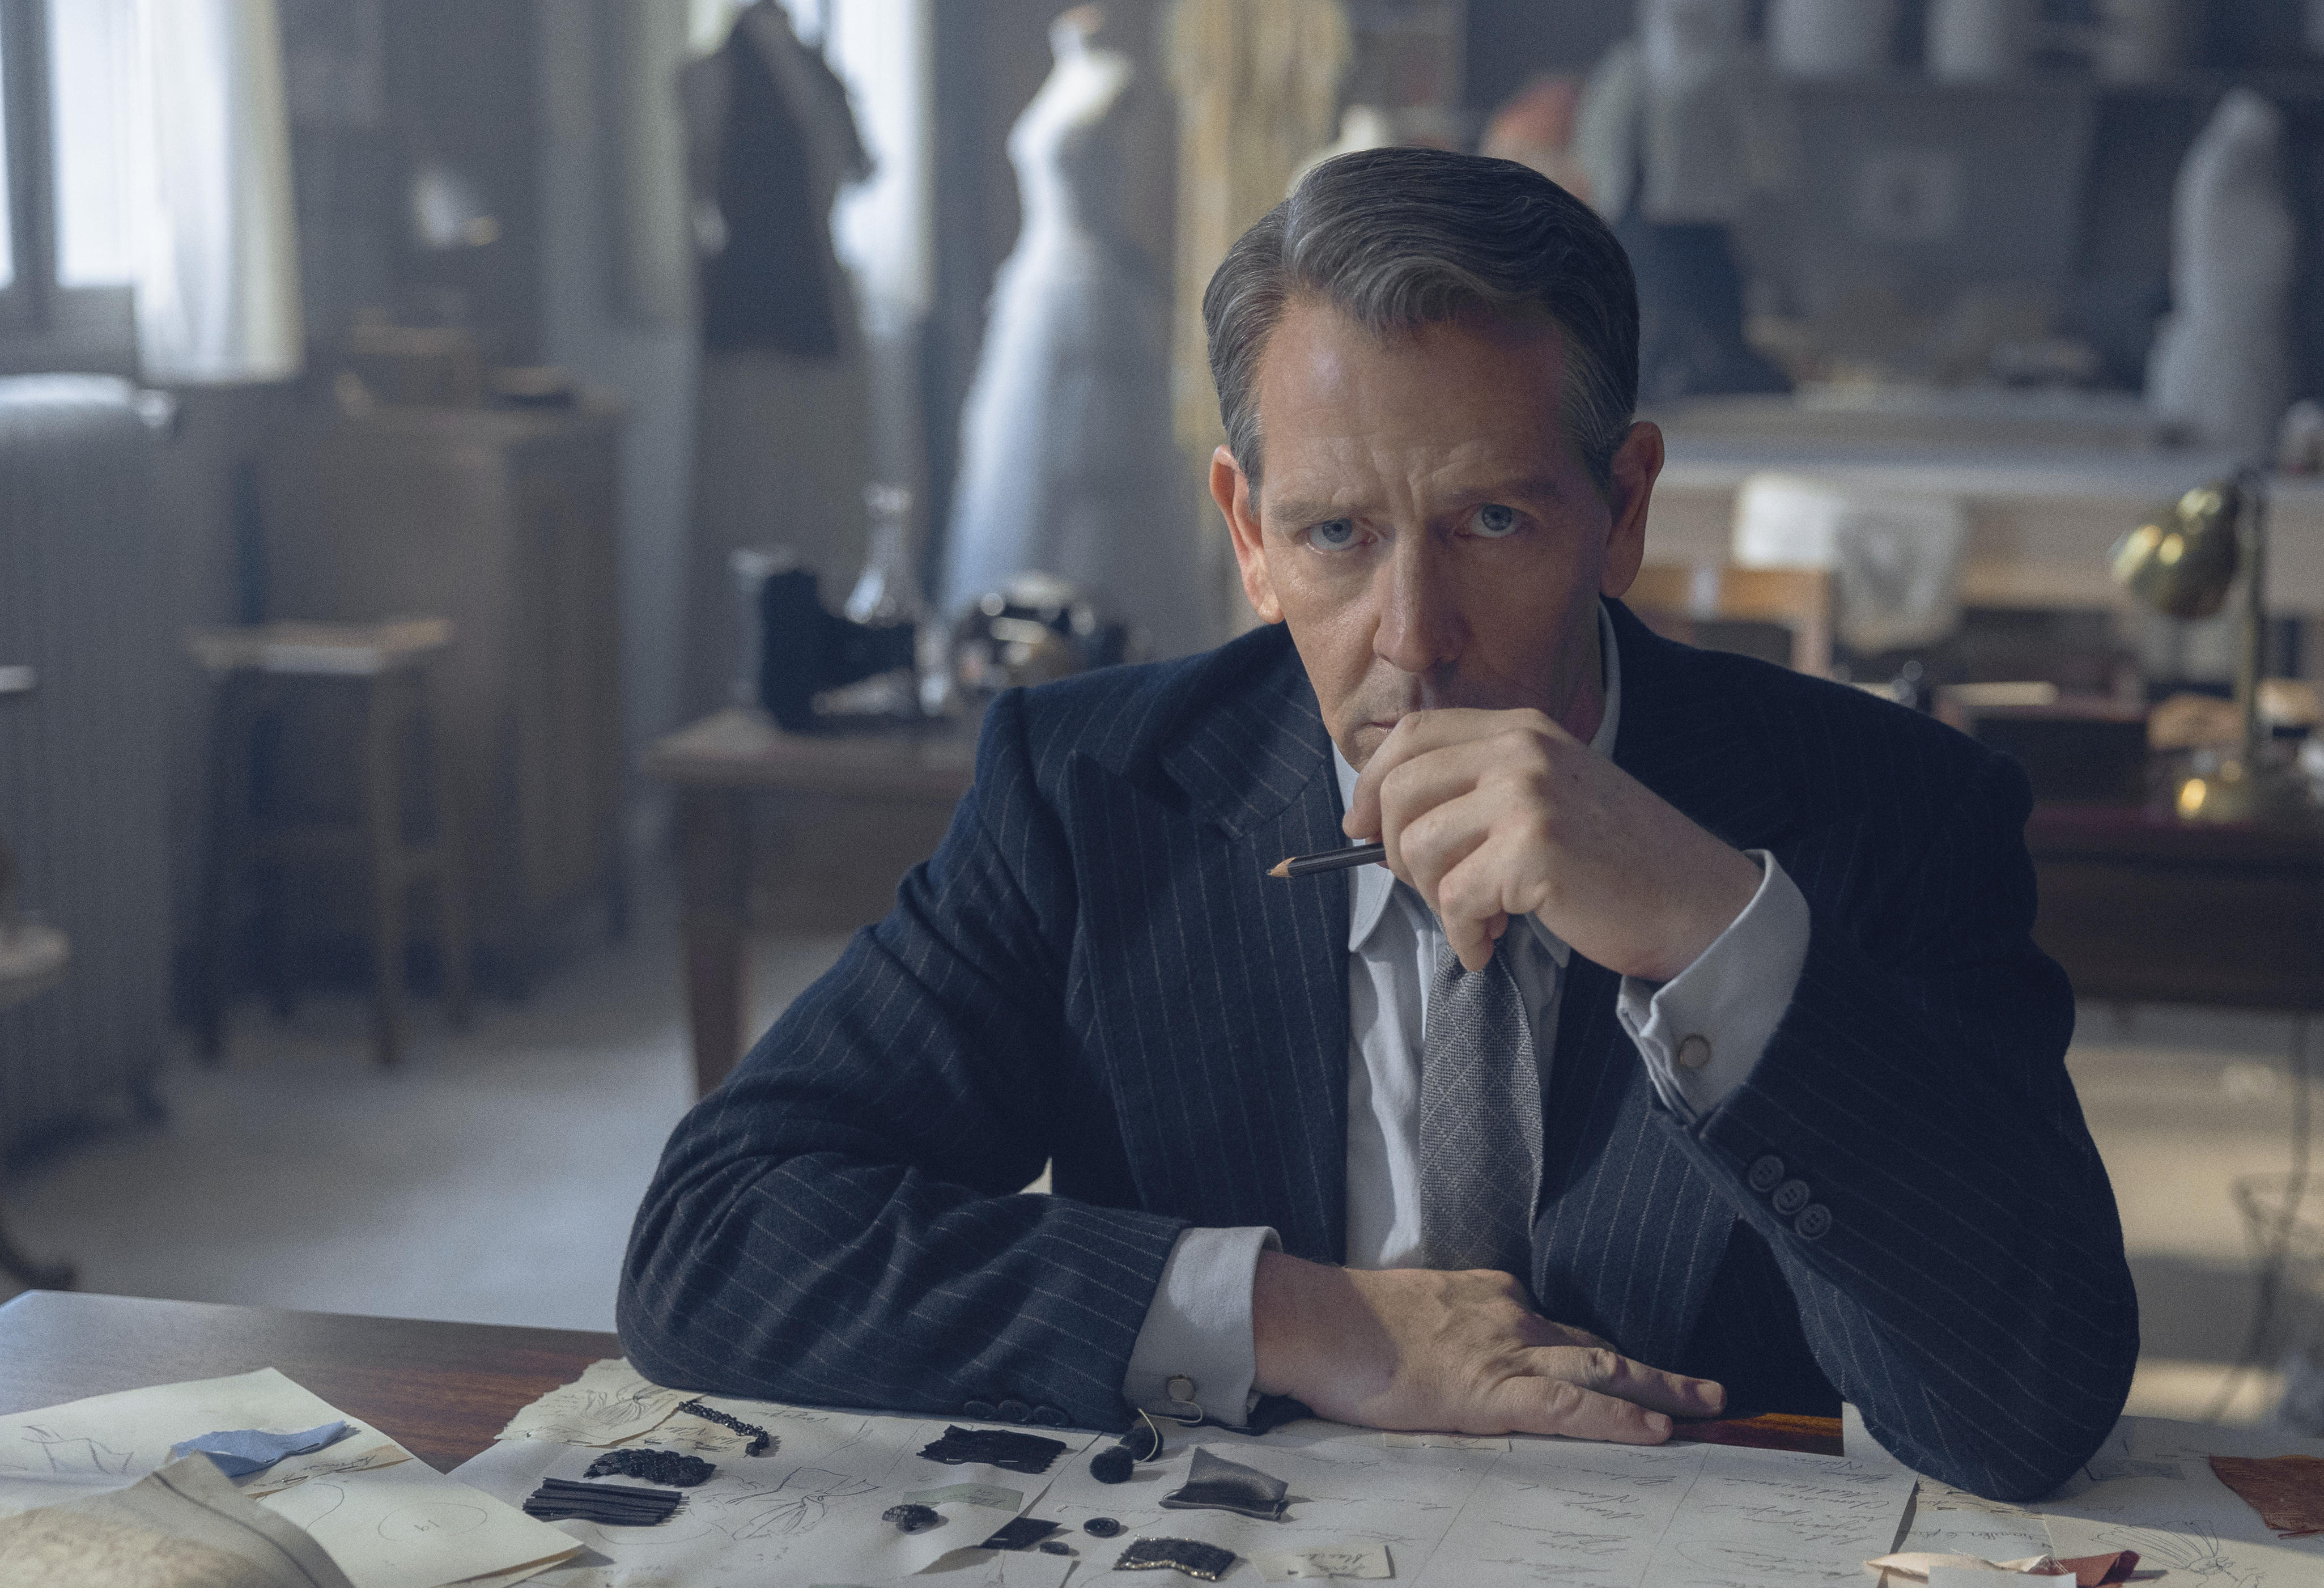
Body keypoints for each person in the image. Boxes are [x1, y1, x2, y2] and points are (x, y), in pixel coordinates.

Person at [620, 148, 2136, 1502]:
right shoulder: (1088, 792)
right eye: (1335, 534)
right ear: (1248, 534)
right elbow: (714, 1242)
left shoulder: (1893, 811)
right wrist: (1302, 1318)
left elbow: (2025, 1414)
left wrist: (1713, 937)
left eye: (1493, 522)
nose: (1414, 639)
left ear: (1623, 509)